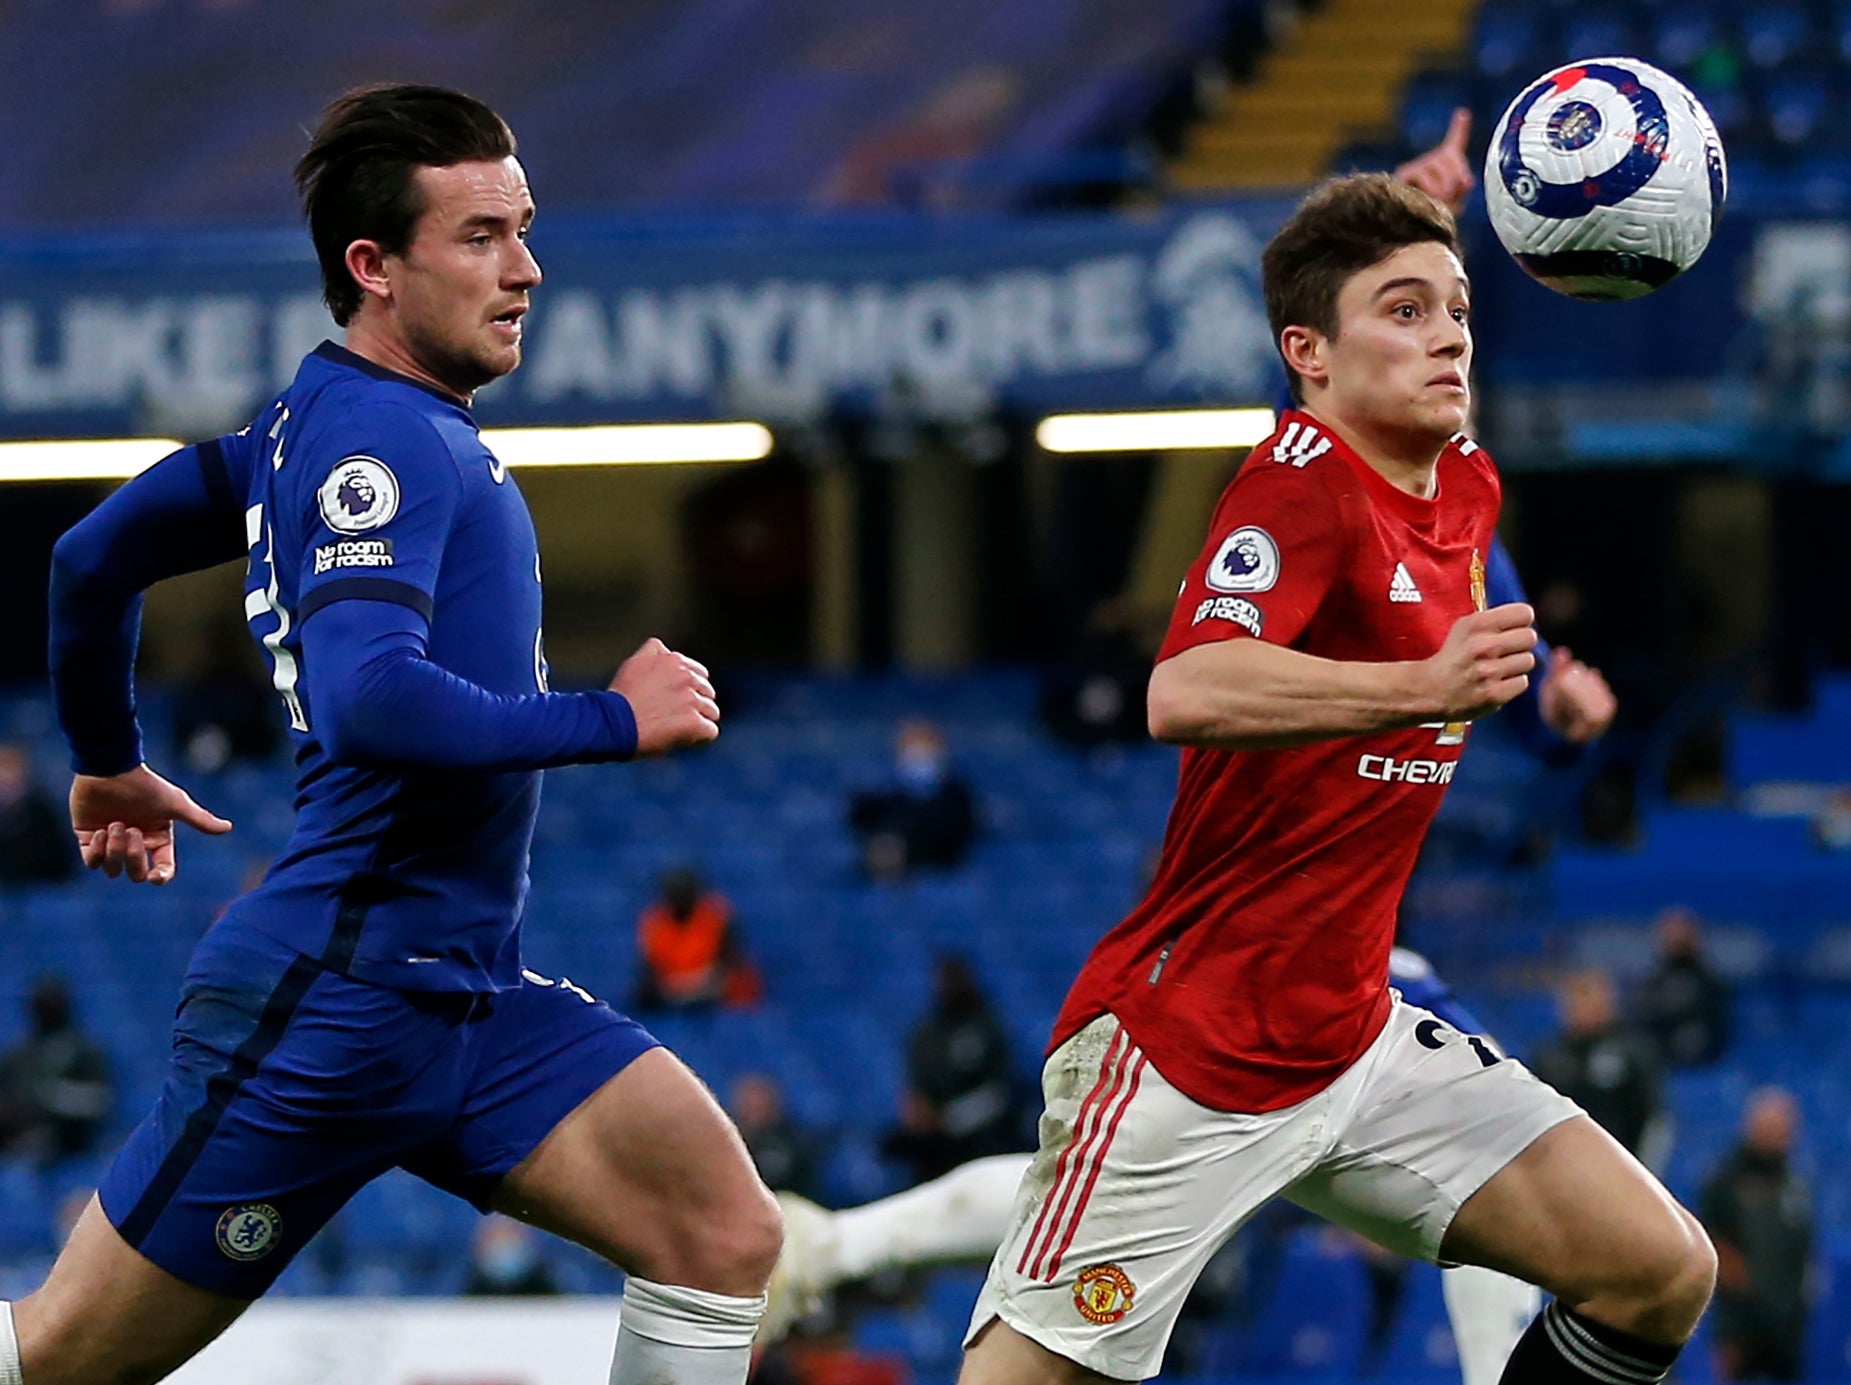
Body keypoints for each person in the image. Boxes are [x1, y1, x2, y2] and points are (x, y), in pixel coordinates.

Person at [26, 84, 780, 1385]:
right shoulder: (384, 442)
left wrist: (106, 753)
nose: (527, 268)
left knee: (717, 1231)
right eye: (479, 236)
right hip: (341, 995)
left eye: (524, 228)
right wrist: (612, 716)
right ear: (371, 267)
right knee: (61, 1356)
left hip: (463, 991)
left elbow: (93, 560)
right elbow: (371, 699)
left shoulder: (301, 429)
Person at [954, 174, 1713, 1385]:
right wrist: (1424, 687)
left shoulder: (1461, 473)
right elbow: (1185, 692)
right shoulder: (1294, 487)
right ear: (1306, 354)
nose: (1451, 332)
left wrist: (1549, 693)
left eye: (1456, 308)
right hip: (1187, 1051)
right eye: (1405, 311)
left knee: (1659, 1268)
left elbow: (1463, 597)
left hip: (1354, 1041)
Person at [1701, 1088, 1813, 1383]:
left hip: (1787, 1316)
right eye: (1770, 1127)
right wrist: (1746, 1285)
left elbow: (1804, 1248)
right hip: (1740, 1315)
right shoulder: (1724, 1180)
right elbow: (1709, 1240)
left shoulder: (1796, 1185)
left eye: (1783, 1128)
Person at [883, 956, 1019, 1186]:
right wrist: (917, 1111)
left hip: (980, 1145)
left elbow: (997, 1092)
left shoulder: (986, 1027)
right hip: (930, 1152)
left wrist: (950, 1119)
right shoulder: (927, 1032)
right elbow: (915, 1083)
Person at [1531, 969, 1666, 1162]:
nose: (1579, 1006)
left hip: (1620, 1165)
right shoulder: (1550, 1056)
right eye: (1572, 998)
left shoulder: (1632, 1051)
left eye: (1587, 995)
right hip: (1564, 1168)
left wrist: (1643, 1169)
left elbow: (1653, 1118)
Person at [0, 976, 114, 1163]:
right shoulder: (17, 1056)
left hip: (73, 1146)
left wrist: (54, 1097)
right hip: (20, 1148)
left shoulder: (85, 1052)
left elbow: (101, 1100)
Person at [848, 720, 978, 879]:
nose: (919, 755)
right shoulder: (879, 798)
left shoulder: (955, 796)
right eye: (913, 747)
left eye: (926, 748)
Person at [634, 866, 759, 1013]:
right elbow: (650, 970)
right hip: (671, 992)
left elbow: (729, 963)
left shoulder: (715, 916)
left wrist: (695, 983)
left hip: (710, 988)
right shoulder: (654, 921)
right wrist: (676, 986)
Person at [1637, 907, 1730, 1067]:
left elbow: (1722, 1026)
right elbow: (1645, 1023)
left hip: (1710, 1064)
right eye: (1671, 934)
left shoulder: (1712, 982)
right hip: (1662, 1066)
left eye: (1682, 933)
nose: (1677, 940)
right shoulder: (1653, 983)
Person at [730, 1074, 820, 1205]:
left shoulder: (793, 1141)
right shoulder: (727, 1140)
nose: (753, 1111)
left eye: (758, 1104)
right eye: (748, 1104)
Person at [0, 744, 76, 888]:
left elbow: (60, 864)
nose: (6, 781)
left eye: (10, 771)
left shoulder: (42, 813)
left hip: (43, 887)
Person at [463, 1215, 562, 1297]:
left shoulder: (553, 1284)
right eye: (499, 1241)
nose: (504, 1247)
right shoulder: (463, 1290)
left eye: (510, 1239)